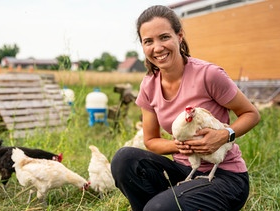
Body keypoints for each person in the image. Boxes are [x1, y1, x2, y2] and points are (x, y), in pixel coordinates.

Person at [110, 5, 260, 211]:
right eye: (148, 41)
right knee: (124, 159)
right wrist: (181, 146)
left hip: (225, 177)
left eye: (164, 37)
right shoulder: (149, 85)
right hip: (185, 169)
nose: (157, 48)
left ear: (179, 36)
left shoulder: (208, 75)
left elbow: (252, 114)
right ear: (143, 46)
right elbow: (151, 141)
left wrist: (225, 135)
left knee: (158, 208)